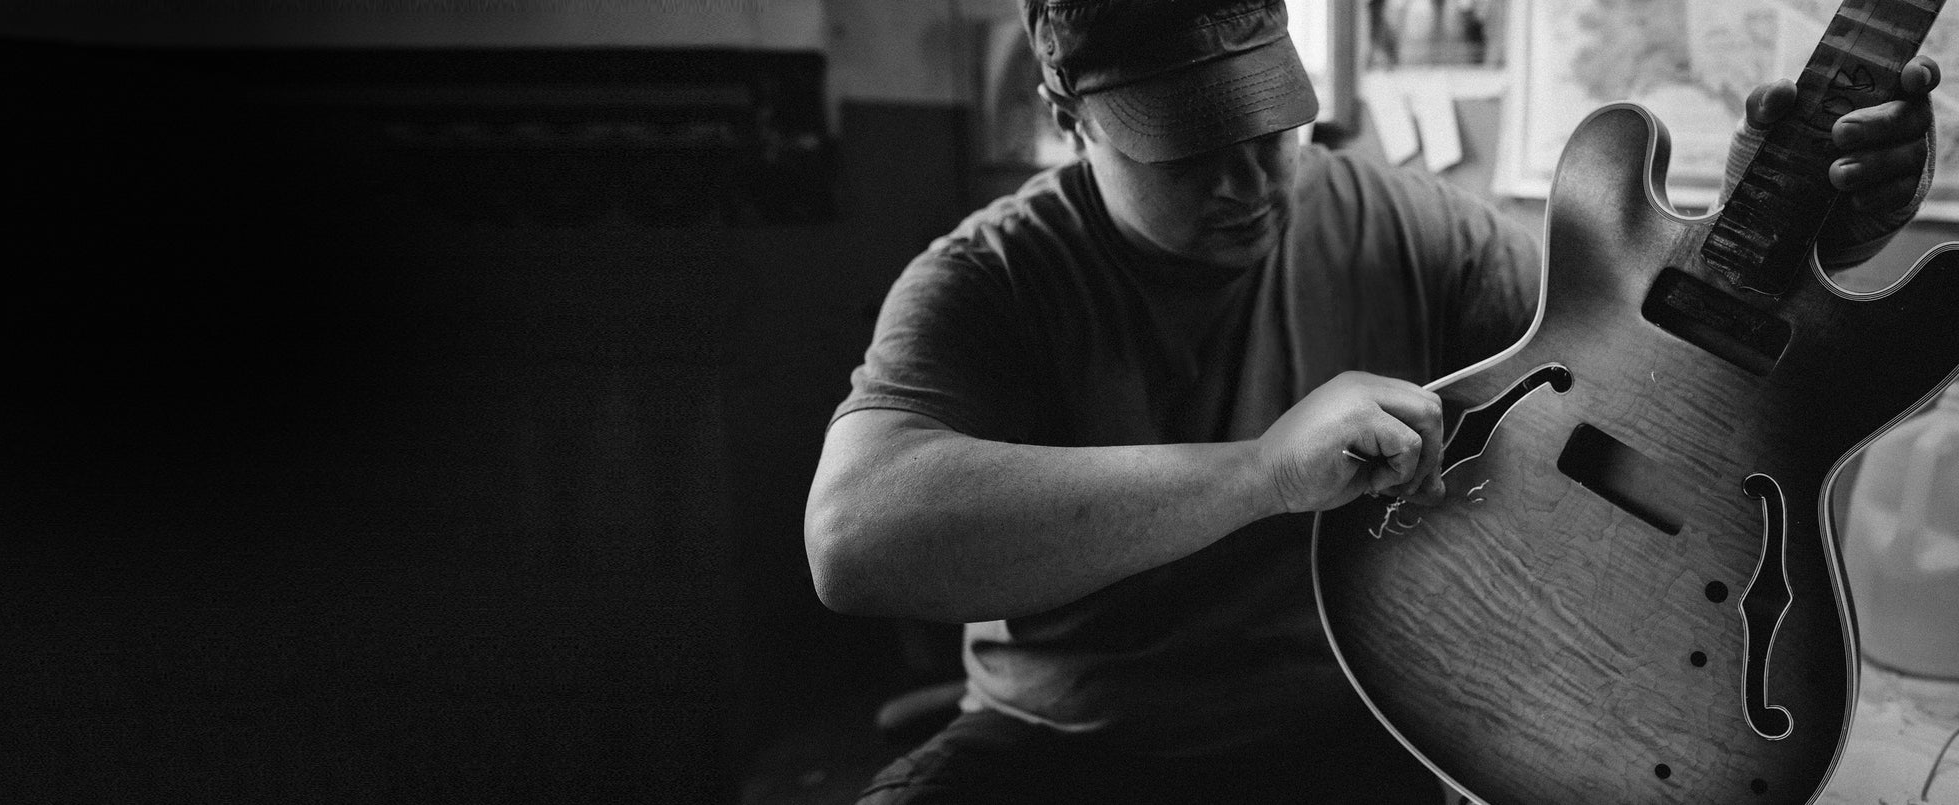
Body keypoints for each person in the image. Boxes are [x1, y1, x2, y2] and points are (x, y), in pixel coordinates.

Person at [805, 0, 1940, 802]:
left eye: (1272, 129)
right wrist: (1256, 474)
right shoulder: (989, 277)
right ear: (1068, 117)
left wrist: (1789, 235)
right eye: (1190, 153)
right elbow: (854, 544)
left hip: (1358, 733)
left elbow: (1649, 375)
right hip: (1058, 744)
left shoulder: (1408, 229)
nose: (1252, 185)